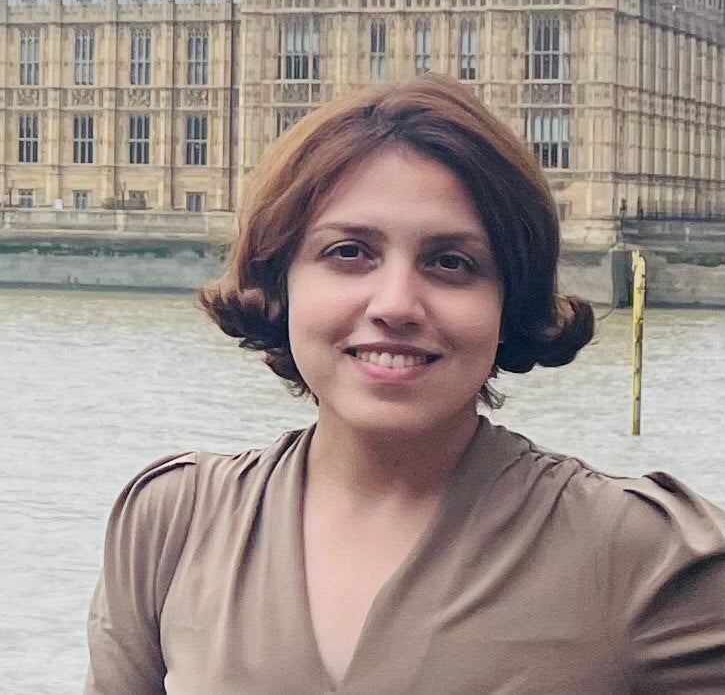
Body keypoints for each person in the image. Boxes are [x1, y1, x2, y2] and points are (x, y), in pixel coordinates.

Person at [85, 75, 725, 694]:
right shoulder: (170, 521)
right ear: (281, 285)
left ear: (510, 303)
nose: (395, 304)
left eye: (452, 263)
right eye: (348, 253)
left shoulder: (647, 554)